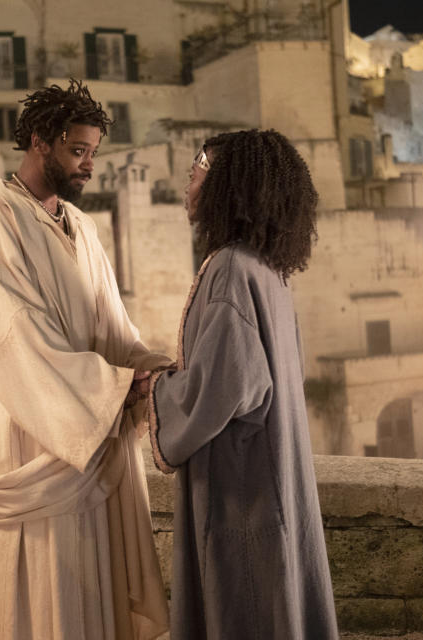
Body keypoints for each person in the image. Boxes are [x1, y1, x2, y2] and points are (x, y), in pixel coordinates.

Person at [0, 80, 169, 640]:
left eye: (94, 153)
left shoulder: (84, 228)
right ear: (40, 141)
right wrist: (113, 387)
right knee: (48, 603)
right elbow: (16, 339)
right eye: (78, 151)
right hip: (39, 444)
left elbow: (111, 326)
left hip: (89, 442)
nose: (89, 166)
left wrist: (150, 369)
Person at [146, 130, 339, 639]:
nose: (190, 178)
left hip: (243, 486)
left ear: (229, 184)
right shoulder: (265, 268)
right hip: (267, 473)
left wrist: (153, 390)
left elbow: (225, 387)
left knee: (247, 603)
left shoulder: (232, 268)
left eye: (199, 168)